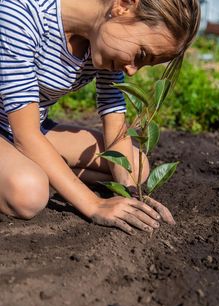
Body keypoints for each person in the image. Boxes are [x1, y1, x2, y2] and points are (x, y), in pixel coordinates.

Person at [0, 0, 200, 235]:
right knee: (28, 193)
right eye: (141, 53)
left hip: (22, 127)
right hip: (23, 130)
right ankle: (40, 174)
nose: (132, 70)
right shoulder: (20, 15)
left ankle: (49, 173)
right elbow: (26, 135)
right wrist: (95, 204)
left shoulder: (100, 39)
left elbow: (114, 119)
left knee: (135, 167)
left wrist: (130, 193)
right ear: (123, 5)